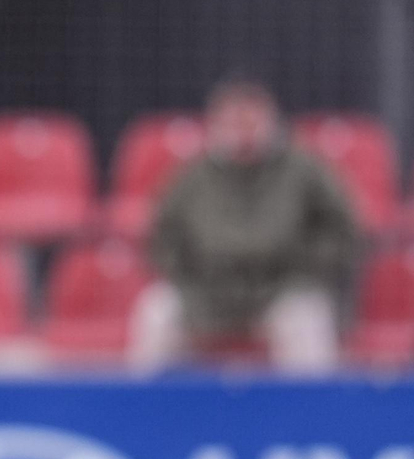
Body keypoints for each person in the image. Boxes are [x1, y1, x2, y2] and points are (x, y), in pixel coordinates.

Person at [129, 78, 360, 372]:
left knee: (306, 319)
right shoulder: (192, 176)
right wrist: (189, 277)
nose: (244, 132)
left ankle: (312, 416)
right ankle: (147, 413)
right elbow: (163, 236)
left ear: (270, 121)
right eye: (234, 122)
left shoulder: (304, 170)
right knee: (156, 311)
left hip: (281, 290)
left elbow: (341, 229)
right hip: (205, 293)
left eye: (251, 121)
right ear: (216, 125)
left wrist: (304, 270)